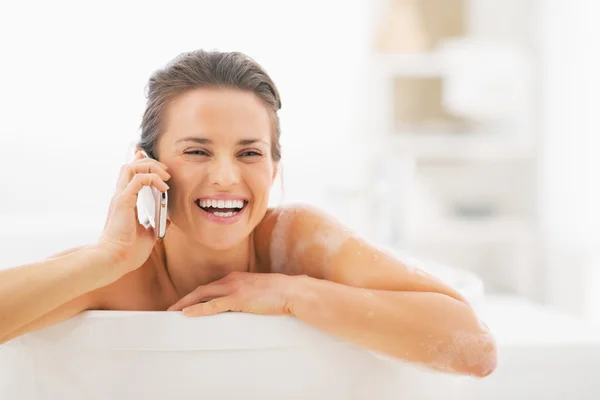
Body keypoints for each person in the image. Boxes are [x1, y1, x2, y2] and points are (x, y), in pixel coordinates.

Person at [0, 49, 496, 377]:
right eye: (197, 151)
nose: (225, 178)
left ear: (275, 169)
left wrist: (290, 293)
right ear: (145, 165)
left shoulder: (296, 242)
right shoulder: (118, 273)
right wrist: (106, 256)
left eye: (250, 153)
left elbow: (474, 347)